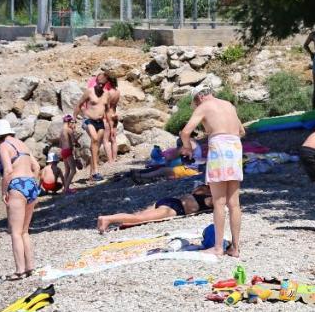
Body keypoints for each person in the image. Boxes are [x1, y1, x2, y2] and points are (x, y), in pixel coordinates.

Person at [179, 87, 246, 257]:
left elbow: (185, 132)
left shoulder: (204, 106)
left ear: (200, 97)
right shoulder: (229, 105)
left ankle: (217, 247)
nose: (196, 106)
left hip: (219, 148)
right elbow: (242, 131)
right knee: (234, 203)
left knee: (219, 201)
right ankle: (235, 248)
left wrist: (187, 147)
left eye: (195, 103)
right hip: (235, 147)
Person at [0, 120, 40, 279]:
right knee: (24, 231)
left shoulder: (3, 146)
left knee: (15, 232)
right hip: (31, 185)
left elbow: (8, 170)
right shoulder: (22, 144)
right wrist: (35, 185)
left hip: (17, 185)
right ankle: (30, 267)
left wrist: (4, 191)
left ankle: (19, 270)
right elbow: (36, 167)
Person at [97, 184, 213, 233]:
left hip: (169, 201)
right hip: (174, 208)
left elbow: (193, 193)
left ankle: (109, 220)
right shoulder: (210, 199)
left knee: (137, 215)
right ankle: (108, 219)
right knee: (139, 218)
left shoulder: (202, 189)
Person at [75, 79, 110, 181]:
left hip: (100, 122)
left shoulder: (106, 94)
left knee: (96, 149)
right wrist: (74, 118)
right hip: (89, 120)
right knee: (94, 140)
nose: (100, 85)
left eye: (103, 84)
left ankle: (91, 176)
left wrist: (109, 121)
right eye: (99, 82)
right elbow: (79, 104)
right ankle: (96, 171)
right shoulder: (89, 91)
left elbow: (107, 108)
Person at [57, 115, 79, 193]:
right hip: (68, 151)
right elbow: (74, 141)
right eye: (71, 122)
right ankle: (67, 189)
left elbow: (60, 144)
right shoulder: (68, 130)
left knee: (67, 170)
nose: (72, 124)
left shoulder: (61, 131)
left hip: (63, 151)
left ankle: (65, 187)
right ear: (69, 122)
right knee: (73, 170)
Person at [104, 78, 122, 164]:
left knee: (106, 140)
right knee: (114, 139)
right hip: (115, 115)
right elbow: (114, 106)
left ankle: (110, 161)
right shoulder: (118, 92)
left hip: (108, 117)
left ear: (108, 82)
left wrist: (110, 125)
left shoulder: (108, 93)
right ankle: (115, 158)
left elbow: (107, 109)